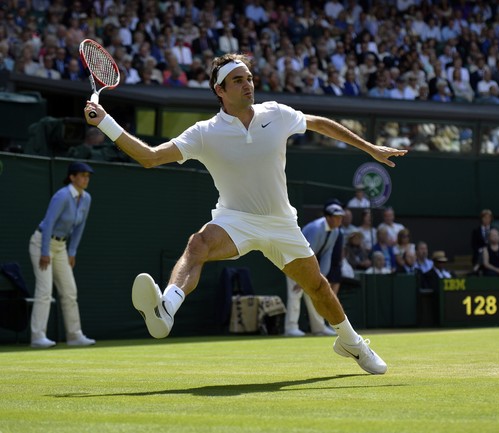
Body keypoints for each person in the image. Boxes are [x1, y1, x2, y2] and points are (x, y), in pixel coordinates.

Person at [85, 53, 406, 374]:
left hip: (280, 222)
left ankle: (350, 342)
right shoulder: (204, 132)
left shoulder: (276, 114)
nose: (248, 84)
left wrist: (370, 148)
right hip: (234, 219)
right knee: (198, 244)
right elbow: (150, 157)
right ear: (219, 90)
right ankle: (165, 309)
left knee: (319, 288)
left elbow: (318, 123)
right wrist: (105, 123)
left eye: (249, 78)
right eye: (238, 80)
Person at [29, 162, 96, 348]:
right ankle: (37, 337)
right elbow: (49, 222)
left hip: (61, 248)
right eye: (82, 175)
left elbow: (79, 228)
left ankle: (74, 336)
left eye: (87, 176)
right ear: (72, 177)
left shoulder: (87, 198)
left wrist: (72, 252)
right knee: (44, 292)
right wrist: (44, 252)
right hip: (41, 243)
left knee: (69, 291)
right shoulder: (62, 196)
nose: (85, 179)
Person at [284, 202, 345, 337]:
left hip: (308, 264)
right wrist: (301, 279)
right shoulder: (316, 228)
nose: (339, 220)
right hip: (293, 261)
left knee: (314, 293)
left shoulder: (335, 231)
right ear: (328, 217)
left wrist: (320, 275)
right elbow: (304, 253)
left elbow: (327, 255)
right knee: (295, 293)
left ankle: (319, 327)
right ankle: (291, 328)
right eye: (337, 217)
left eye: (341, 217)